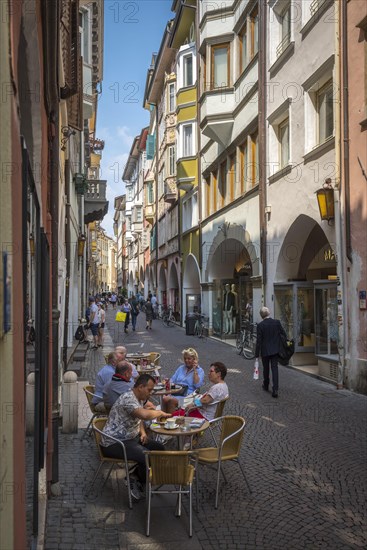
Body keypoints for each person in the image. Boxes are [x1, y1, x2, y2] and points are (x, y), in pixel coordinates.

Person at [100, 374, 171, 499]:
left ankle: (134, 476)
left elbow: (139, 419)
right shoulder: (128, 398)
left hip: (130, 438)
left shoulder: (140, 398)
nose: (150, 393)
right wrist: (159, 412)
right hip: (114, 442)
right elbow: (143, 414)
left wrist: (143, 433)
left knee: (159, 449)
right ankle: (138, 481)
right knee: (146, 456)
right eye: (149, 390)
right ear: (140, 387)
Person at [255, 307, 287, 398]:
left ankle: (266, 385)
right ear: (269, 313)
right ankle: (275, 389)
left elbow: (259, 341)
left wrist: (257, 354)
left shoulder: (260, 325)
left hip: (265, 350)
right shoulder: (276, 323)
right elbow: (283, 334)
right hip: (275, 350)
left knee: (266, 368)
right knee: (274, 368)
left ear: (261, 316)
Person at [162, 348, 205, 414]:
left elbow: (197, 385)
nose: (186, 360)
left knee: (171, 401)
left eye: (189, 359)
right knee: (164, 398)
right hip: (176, 393)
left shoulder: (200, 371)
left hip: (187, 398)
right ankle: (164, 419)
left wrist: (195, 370)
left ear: (194, 359)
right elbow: (172, 380)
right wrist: (168, 383)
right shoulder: (181, 368)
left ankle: (172, 420)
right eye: (185, 358)